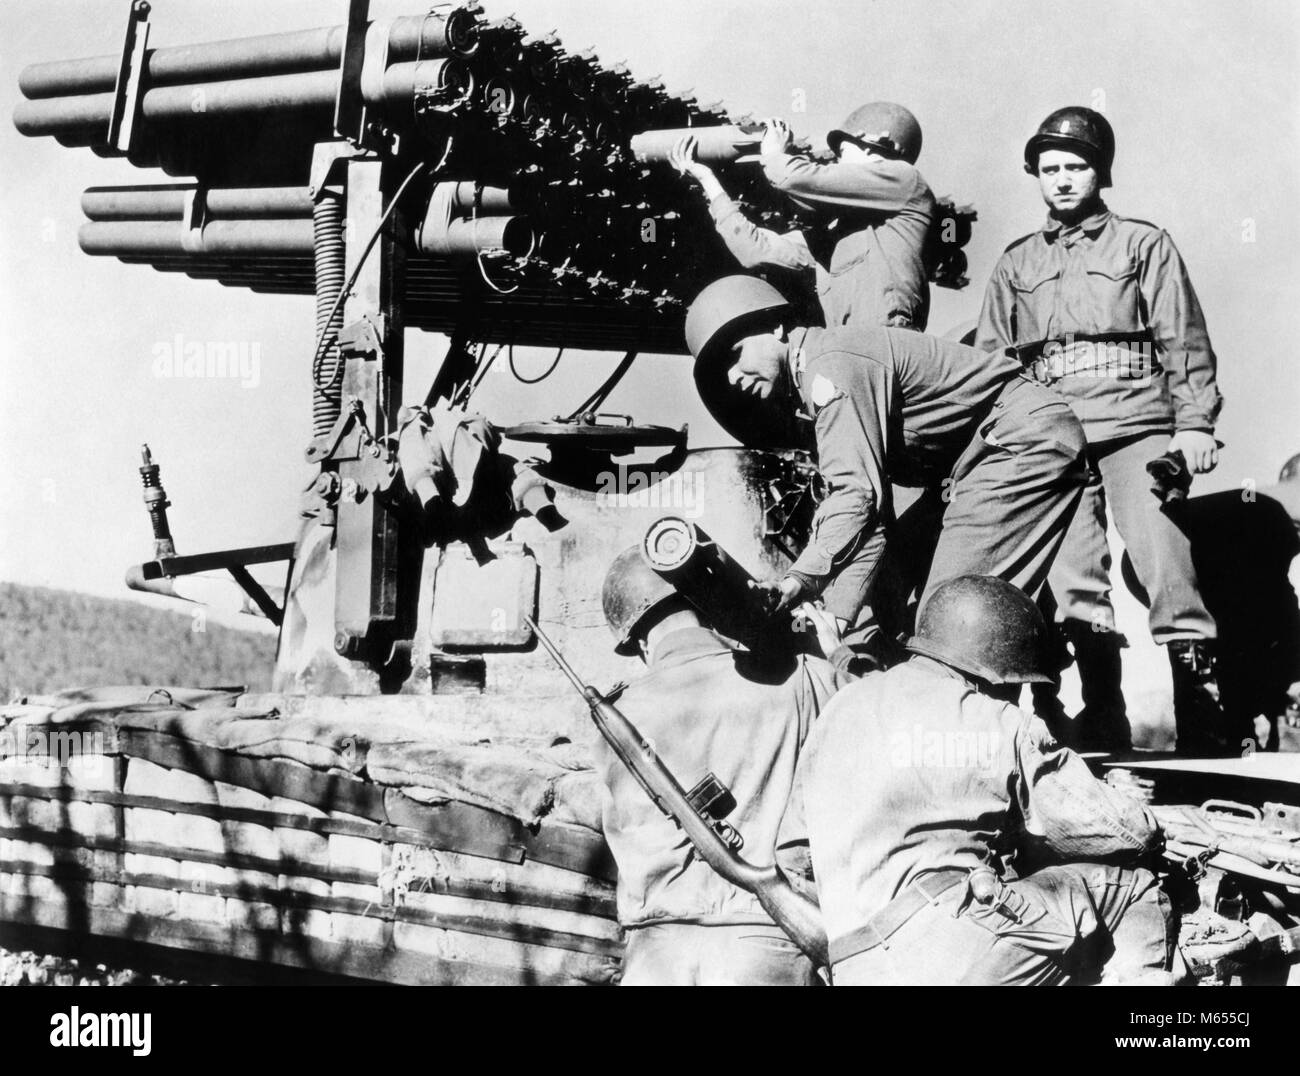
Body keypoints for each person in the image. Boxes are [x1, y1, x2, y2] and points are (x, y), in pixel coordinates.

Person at [975, 106, 1234, 755]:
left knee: (1167, 566)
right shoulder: (1015, 262)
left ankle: (1204, 722)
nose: (1062, 180)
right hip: (1053, 436)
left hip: (1137, 425)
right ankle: (1103, 719)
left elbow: (1183, 336)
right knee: (1073, 582)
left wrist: (1196, 424)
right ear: (1037, 175)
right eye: (1050, 168)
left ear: (1100, 172)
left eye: (1077, 167)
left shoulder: (1142, 244)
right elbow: (992, 359)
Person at [785, 575, 1179, 985]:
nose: (1017, 696)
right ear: (991, 675)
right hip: (952, 949)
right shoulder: (997, 719)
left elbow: (795, 858)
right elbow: (1123, 832)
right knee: (1130, 886)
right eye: (1017, 686)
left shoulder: (839, 709)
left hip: (856, 967)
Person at [683, 274, 1088, 633]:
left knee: (947, 617)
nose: (734, 378)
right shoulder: (812, 389)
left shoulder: (830, 367)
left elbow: (856, 497)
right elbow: (871, 521)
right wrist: (838, 617)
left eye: (735, 354)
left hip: (1019, 440)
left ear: (775, 327)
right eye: (723, 374)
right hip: (976, 461)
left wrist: (796, 579)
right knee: (890, 612)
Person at [592, 546, 846, 985]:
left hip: (655, 957)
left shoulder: (616, 720)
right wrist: (837, 654)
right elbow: (880, 718)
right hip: (764, 944)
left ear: (639, 641)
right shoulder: (803, 677)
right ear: (707, 603)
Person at [669, 104, 935, 331]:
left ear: (872, 145)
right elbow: (755, 250)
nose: (836, 161)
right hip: (849, 352)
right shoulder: (838, 232)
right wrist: (708, 180)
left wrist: (774, 152)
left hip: (888, 340)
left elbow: (793, 177)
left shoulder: (906, 180)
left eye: (841, 152)